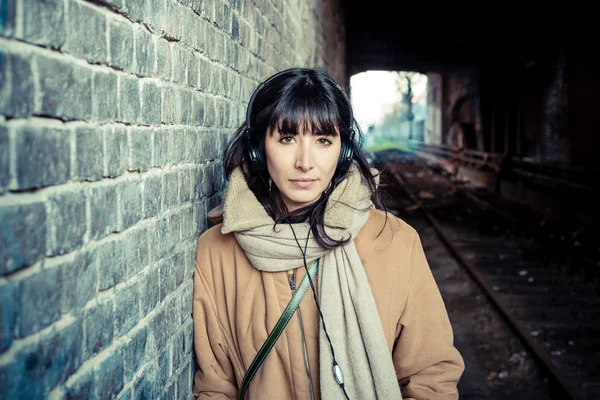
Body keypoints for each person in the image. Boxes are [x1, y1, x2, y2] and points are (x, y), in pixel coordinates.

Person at [192, 67, 464, 400]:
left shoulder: (394, 241)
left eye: (323, 140)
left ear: (344, 150)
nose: (305, 162)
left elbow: (432, 376)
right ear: (259, 150)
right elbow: (216, 386)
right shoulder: (218, 251)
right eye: (287, 138)